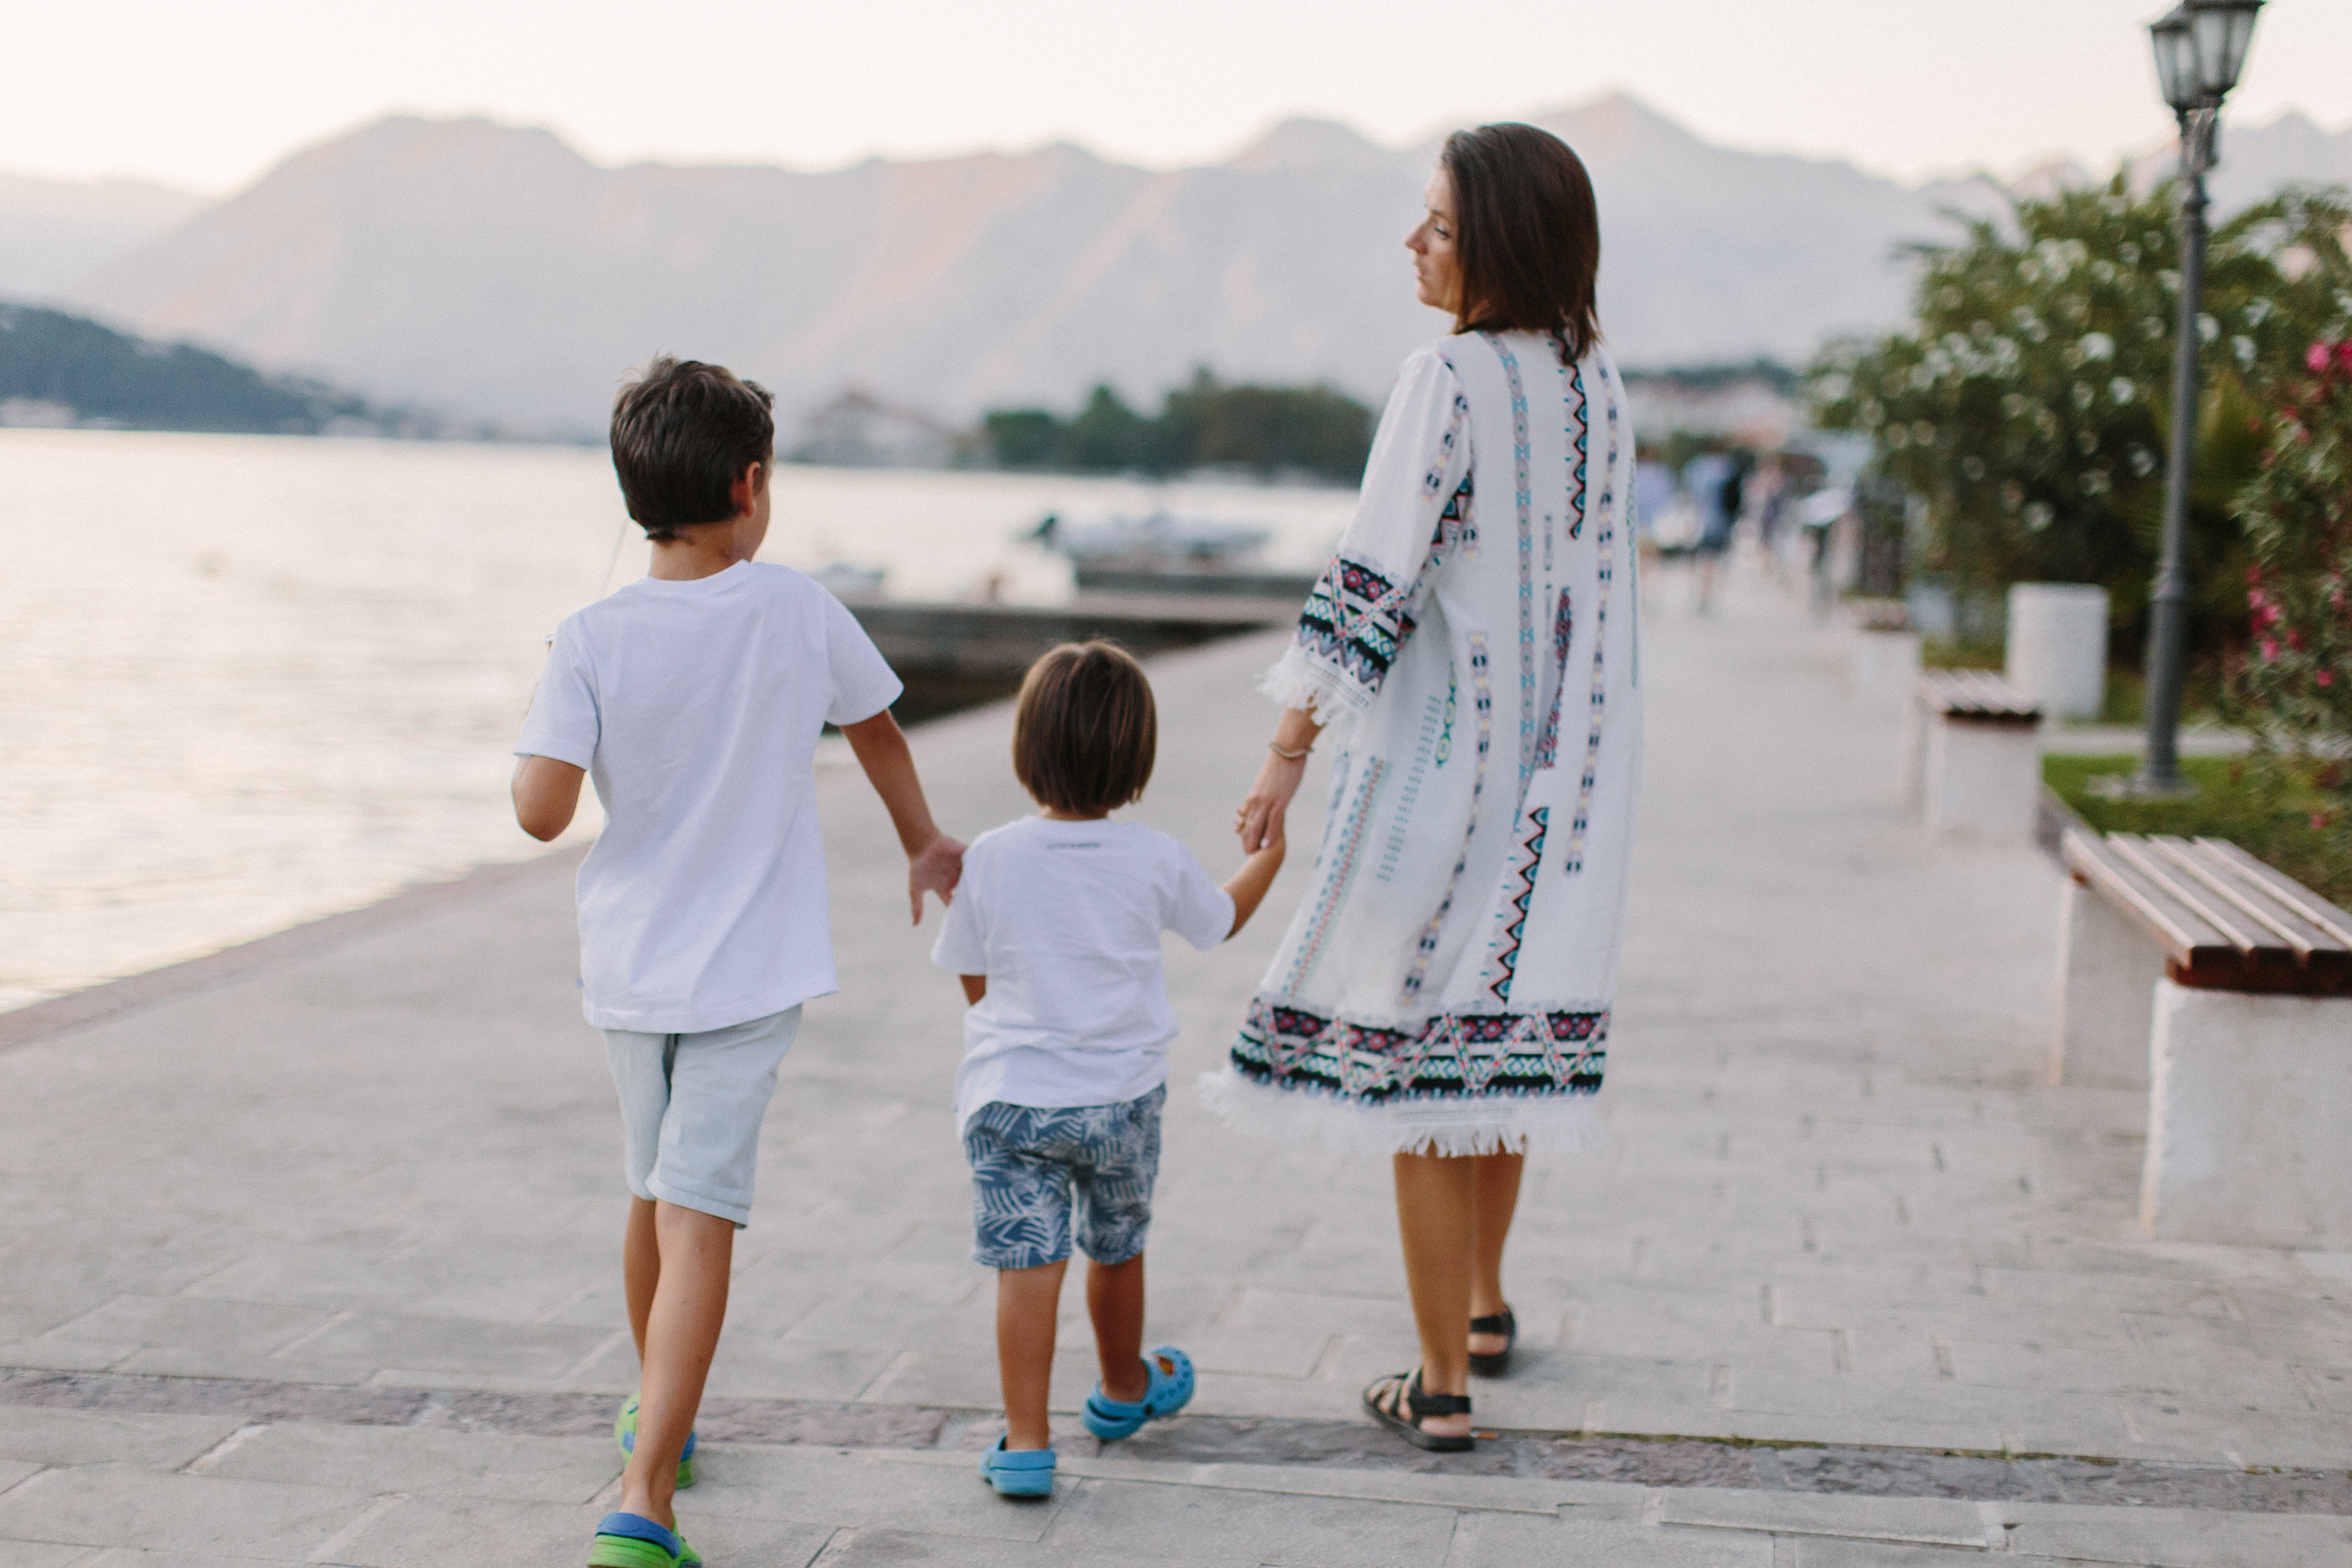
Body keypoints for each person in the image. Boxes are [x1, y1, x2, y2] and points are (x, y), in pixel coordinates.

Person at [1205, 123, 1642, 1453]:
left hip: (1446, 785)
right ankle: (1484, 1307)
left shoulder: (1445, 378)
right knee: (1491, 1055)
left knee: (1414, 1070)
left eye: (1440, 225)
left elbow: (1369, 583)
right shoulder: (1596, 383)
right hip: (1563, 789)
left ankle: (1439, 1383)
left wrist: (1285, 755)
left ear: (1499, 244)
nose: (1413, 241)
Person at [512, 357, 963, 1568]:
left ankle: (655, 1412)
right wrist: (924, 842)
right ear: (749, 484)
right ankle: (645, 1496)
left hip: (630, 971)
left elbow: (541, 813)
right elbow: (876, 730)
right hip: (750, 973)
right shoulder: (798, 608)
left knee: (653, 1189)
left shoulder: (590, 636)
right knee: (700, 1211)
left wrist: (551, 703)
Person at [933, 642, 1285, 1497]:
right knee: (1117, 1248)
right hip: (1119, 1102)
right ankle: (1124, 1387)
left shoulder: (991, 856)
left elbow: (974, 976)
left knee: (1027, 1265)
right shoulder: (1154, 856)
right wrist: (1267, 856)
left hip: (1012, 1101)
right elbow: (1220, 920)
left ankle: (1026, 1444)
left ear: (1026, 750)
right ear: (1137, 761)